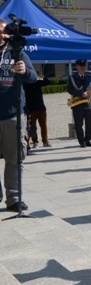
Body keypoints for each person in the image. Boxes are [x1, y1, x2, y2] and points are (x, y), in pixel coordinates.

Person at [1, 18, 37, 211]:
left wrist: (24, 71)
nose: (2, 35)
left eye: (4, 31)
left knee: (14, 159)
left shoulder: (18, 52)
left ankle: (13, 198)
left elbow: (33, 78)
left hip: (13, 114)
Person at [67, 59, 91, 147]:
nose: (82, 68)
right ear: (77, 67)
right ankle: (81, 141)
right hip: (77, 104)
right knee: (78, 124)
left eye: (84, 66)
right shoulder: (72, 77)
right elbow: (69, 89)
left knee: (89, 123)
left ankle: (88, 139)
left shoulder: (88, 77)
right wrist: (80, 93)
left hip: (88, 104)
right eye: (80, 66)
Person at [23, 71, 51, 148]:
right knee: (32, 126)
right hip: (30, 108)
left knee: (43, 125)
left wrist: (42, 76)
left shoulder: (37, 81)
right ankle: (35, 141)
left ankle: (45, 141)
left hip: (40, 107)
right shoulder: (25, 83)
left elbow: (47, 82)